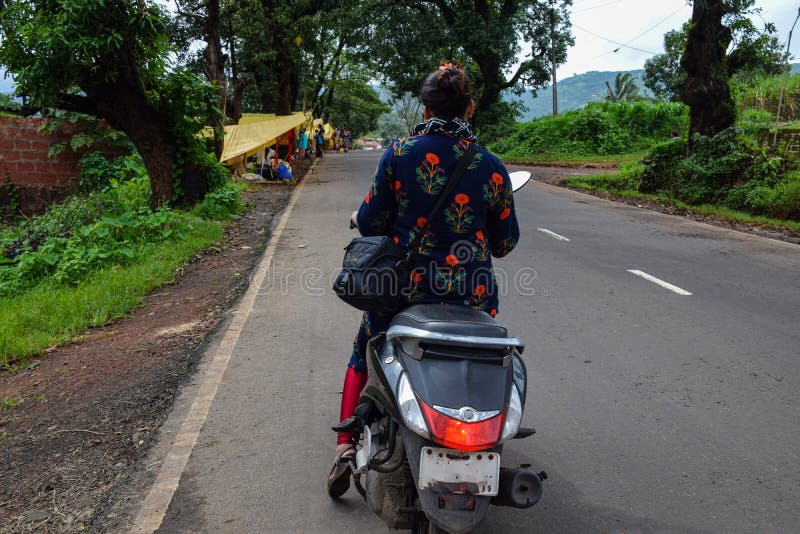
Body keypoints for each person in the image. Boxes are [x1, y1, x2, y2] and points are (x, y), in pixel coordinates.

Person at [327, 64, 520, 498]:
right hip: (471, 296)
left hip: (403, 294)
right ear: (469, 108)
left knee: (365, 349)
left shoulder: (399, 152)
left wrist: (362, 218)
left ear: (426, 106)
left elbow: (372, 220)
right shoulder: (490, 166)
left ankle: (345, 446)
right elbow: (505, 244)